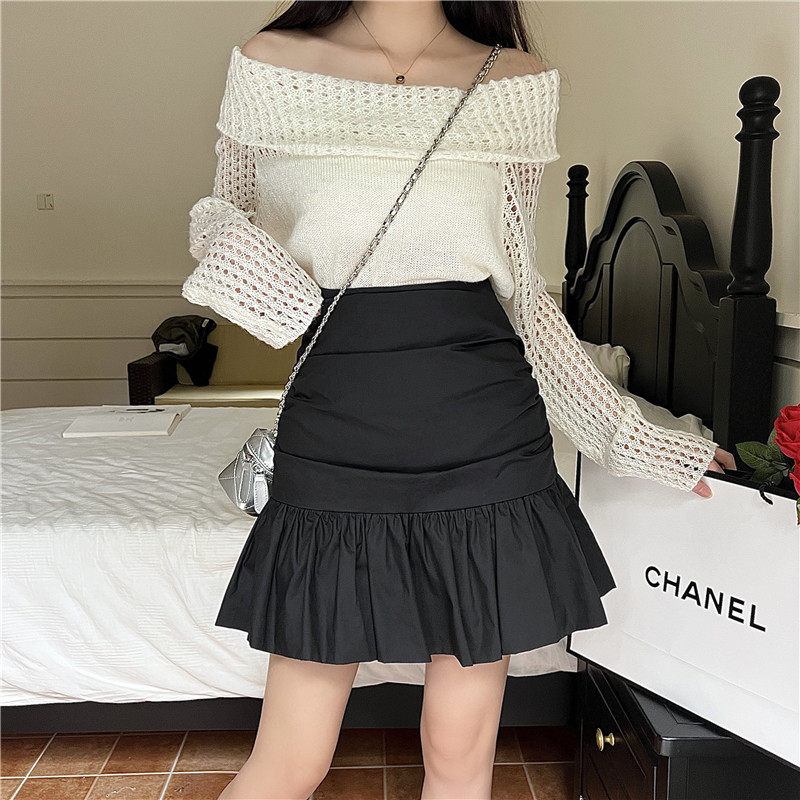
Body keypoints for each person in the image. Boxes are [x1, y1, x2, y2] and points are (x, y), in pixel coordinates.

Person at [181, 2, 736, 798]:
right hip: (336, 421)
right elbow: (221, 213)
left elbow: (526, 299)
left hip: (487, 432)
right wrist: (259, 278)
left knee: (459, 762)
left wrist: (644, 441)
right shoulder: (272, 62)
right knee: (289, 763)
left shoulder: (514, 81)